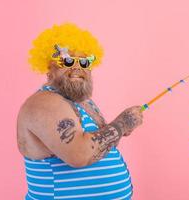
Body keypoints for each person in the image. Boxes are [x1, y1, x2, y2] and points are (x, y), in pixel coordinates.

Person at [17, 23, 143, 200]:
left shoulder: (82, 102)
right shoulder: (44, 103)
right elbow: (79, 155)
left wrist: (117, 131)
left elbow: (99, 145)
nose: (77, 67)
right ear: (49, 68)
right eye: (67, 60)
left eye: (84, 61)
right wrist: (121, 125)